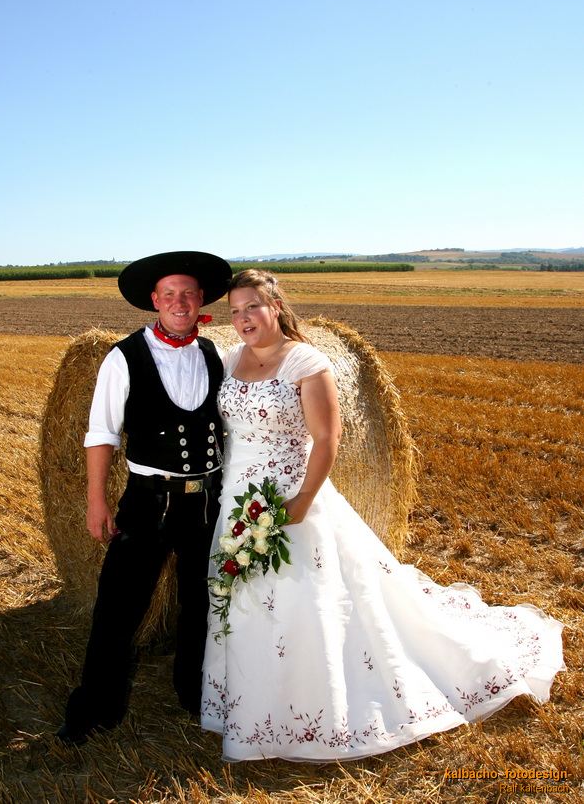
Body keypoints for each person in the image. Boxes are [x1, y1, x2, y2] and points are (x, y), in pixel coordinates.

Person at [201, 269, 564, 762]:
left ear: (276, 306)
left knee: (308, 599)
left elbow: (327, 439)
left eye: (253, 307)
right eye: (235, 310)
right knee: (245, 598)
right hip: (238, 497)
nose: (244, 318)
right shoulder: (228, 358)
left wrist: (303, 500)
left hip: (290, 495)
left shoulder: (305, 361)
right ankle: (247, 699)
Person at [57, 250, 232, 745]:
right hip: (148, 501)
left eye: (189, 294)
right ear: (155, 301)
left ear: (201, 302)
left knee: (202, 604)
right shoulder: (123, 356)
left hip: (206, 502)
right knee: (118, 607)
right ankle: (94, 708)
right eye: (170, 295)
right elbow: (101, 433)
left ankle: (196, 694)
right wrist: (97, 501)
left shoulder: (215, 354)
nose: (180, 302)